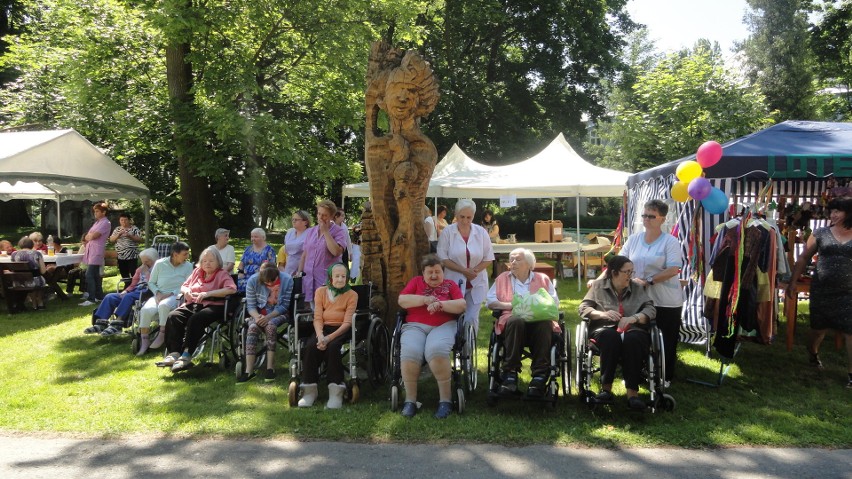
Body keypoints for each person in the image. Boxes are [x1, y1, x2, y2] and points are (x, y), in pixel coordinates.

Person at [616, 199, 683, 387]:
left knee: (666, 340)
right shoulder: (634, 239)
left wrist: (649, 281)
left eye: (651, 216)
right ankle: (635, 372)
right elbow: (620, 262)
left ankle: (665, 376)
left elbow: (673, 269)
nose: (646, 219)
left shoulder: (670, 242)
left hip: (665, 300)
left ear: (662, 218)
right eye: (644, 215)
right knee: (635, 337)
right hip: (637, 299)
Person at [787, 196, 852, 388]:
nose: (833, 214)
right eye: (831, 211)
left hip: (849, 292)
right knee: (817, 331)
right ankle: (813, 354)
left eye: (838, 211)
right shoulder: (820, 233)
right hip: (822, 290)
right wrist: (792, 282)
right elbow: (803, 258)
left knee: (851, 332)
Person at [578, 256, 656, 411]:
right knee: (610, 337)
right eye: (626, 272)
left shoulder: (637, 287)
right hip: (605, 329)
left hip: (633, 329)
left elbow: (650, 309)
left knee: (633, 339)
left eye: (631, 271)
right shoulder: (598, 286)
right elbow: (583, 308)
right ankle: (606, 390)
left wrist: (634, 318)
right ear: (613, 273)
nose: (630, 275)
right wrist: (602, 314)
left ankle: (632, 394)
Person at [397, 254, 466, 418]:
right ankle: (410, 401)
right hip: (415, 326)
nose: (434, 275)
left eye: (438, 271)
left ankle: (445, 401)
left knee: (436, 351)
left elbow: (461, 305)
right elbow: (402, 300)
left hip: (443, 325)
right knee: (410, 353)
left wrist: (440, 304)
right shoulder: (415, 282)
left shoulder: (450, 285)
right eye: (430, 272)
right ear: (423, 273)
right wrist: (425, 300)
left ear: (443, 273)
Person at [486, 248, 559, 397]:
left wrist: (535, 306)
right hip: (512, 322)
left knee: (545, 324)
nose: (513, 262)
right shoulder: (502, 279)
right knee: (516, 320)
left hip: (538, 321)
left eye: (518, 259)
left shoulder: (542, 278)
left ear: (529, 264)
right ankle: (510, 373)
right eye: (511, 259)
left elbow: (554, 302)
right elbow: (490, 301)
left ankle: (539, 375)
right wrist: (510, 306)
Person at [158, 246, 237, 372]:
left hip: (215, 306)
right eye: (204, 261)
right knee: (173, 316)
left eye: (211, 261)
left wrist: (209, 293)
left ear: (218, 262)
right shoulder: (197, 272)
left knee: (196, 319)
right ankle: (174, 354)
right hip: (194, 303)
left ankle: (186, 355)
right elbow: (184, 286)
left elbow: (231, 289)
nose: (207, 263)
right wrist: (187, 291)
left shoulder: (222, 274)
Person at [298, 263, 357, 409]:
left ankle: (336, 392)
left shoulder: (352, 295)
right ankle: (310, 391)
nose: (340, 279)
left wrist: (329, 338)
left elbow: (347, 322)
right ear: (330, 277)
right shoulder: (321, 292)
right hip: (322, 328)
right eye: (337, 276)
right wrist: (320, 336)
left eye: (343, 276)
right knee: (311, 346)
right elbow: (317, 317)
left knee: (333, 347)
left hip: (340, 329)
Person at [437, 198, 494, 334]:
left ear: (473, 216)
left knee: (471, 318)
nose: (465, 220)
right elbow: (443, 258)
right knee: (454, 318)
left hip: (477, 281)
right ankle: (455, 346)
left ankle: (468, 351)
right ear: (456, 215)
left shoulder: (481, 232)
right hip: (454, 281)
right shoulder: (448, 232)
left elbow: (489, 257)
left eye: (469, 217)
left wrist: (474, 271)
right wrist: (463, 270)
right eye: (462, 216)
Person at [83, 248, 158, 337]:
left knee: (128, 297)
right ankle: (101, 323)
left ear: (154, 260)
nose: (144, 264)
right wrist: (126, 291)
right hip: (135, 291)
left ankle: (118, 323)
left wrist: (146, 273)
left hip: (148, 292)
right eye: (143, 261)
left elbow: (154, 284)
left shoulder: (158, 269)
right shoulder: (140, 269)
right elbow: (133, 284)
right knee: (110, 297)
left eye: (147, 261)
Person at [239, 263, 294, 383]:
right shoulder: (253, 281)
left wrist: (268, 317)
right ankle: (249, 370)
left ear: (277, 275)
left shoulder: (287, 280)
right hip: (258, 313)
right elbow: (251, 306)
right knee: (253, 327)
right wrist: (258, 318)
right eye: (266, 282)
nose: (269, 284)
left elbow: (285, 306)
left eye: (272, 281)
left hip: (278, 313)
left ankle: (270, 367)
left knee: (270, 326)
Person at [139, 242, 193, 351]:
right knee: (146, 309)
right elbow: (151, 282)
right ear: (175, 254)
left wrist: (170, 293)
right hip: (158, 294)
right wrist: (158, 293)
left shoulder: (188, 266)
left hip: (176, 295)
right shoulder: (160, 264)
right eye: (185, 254)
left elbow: (189, 284)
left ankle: (162, 334)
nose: (187, 257)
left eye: (187, 254)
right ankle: (144, 340)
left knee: (164, 305)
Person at [297, 199, 347, 305]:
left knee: (326, 312)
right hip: (309, 280)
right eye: (319, 213)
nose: (320, 217)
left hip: (326, 280)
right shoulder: (311, 231)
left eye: (324, 215)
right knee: (312, 312)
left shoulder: (339, 232)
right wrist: (299, 273)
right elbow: (305, 254)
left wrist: (325, 232)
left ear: (332, 216)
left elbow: (336, 252)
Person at [80, 202, 112, 306]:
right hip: (91, 250)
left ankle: (91, 298)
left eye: (97, 211)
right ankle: (99, 296)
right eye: (95, 211)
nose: (95, 213)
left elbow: (94, 236)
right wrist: (89, 236)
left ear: (104, 212)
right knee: (95, 275)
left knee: (89, 274)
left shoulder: (105, 223)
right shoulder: (97, 223)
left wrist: (90, 236)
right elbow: (87, 236)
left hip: (96, 251)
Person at [10, 237, 47, 310]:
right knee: (38, 278)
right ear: (32, 244)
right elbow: (43, 271)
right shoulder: (36, 253)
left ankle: (34, 303)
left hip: (18, 282)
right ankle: (39, 302)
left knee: (34, 278)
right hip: (33, 282)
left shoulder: (14, 254)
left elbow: (12, 269)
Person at [109, 212, 143, 279]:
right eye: (122, 220)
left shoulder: (134, 228)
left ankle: (134, 286)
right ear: (119, 221)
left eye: (125, 220)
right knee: (124, 274)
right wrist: (118, 234)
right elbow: (111, 240)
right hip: (121, 256)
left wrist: (129, 235)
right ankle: (127, 286)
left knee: (133, 273)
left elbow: (140, 239)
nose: (123, 222)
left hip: (132, 255)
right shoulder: (117, 229)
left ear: (129, 220)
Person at [279, 210, 310, 275]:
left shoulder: (310, 233)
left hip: (303, 268)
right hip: (289, 266)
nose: (293, 221)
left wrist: (299, 271)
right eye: (293, 219)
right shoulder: (290, 232)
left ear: (305, 222)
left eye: (296, 219)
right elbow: (286, 249)